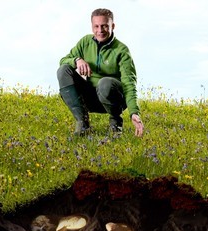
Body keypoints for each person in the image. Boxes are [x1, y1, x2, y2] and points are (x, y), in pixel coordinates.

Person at [57, 8, 144, 137]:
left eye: (104, 26)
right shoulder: (85, 42)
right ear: (92, 27)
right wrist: (77, 60)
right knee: (63, 70)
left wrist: (134, 112)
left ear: (112, 26)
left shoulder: (121, 50)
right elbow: (64, 60)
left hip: (114, 98)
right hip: (92, 97)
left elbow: (129, 84)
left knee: (105, 82)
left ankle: (116, 122)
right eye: (96, 26)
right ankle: (83, 124)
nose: (100, 30)